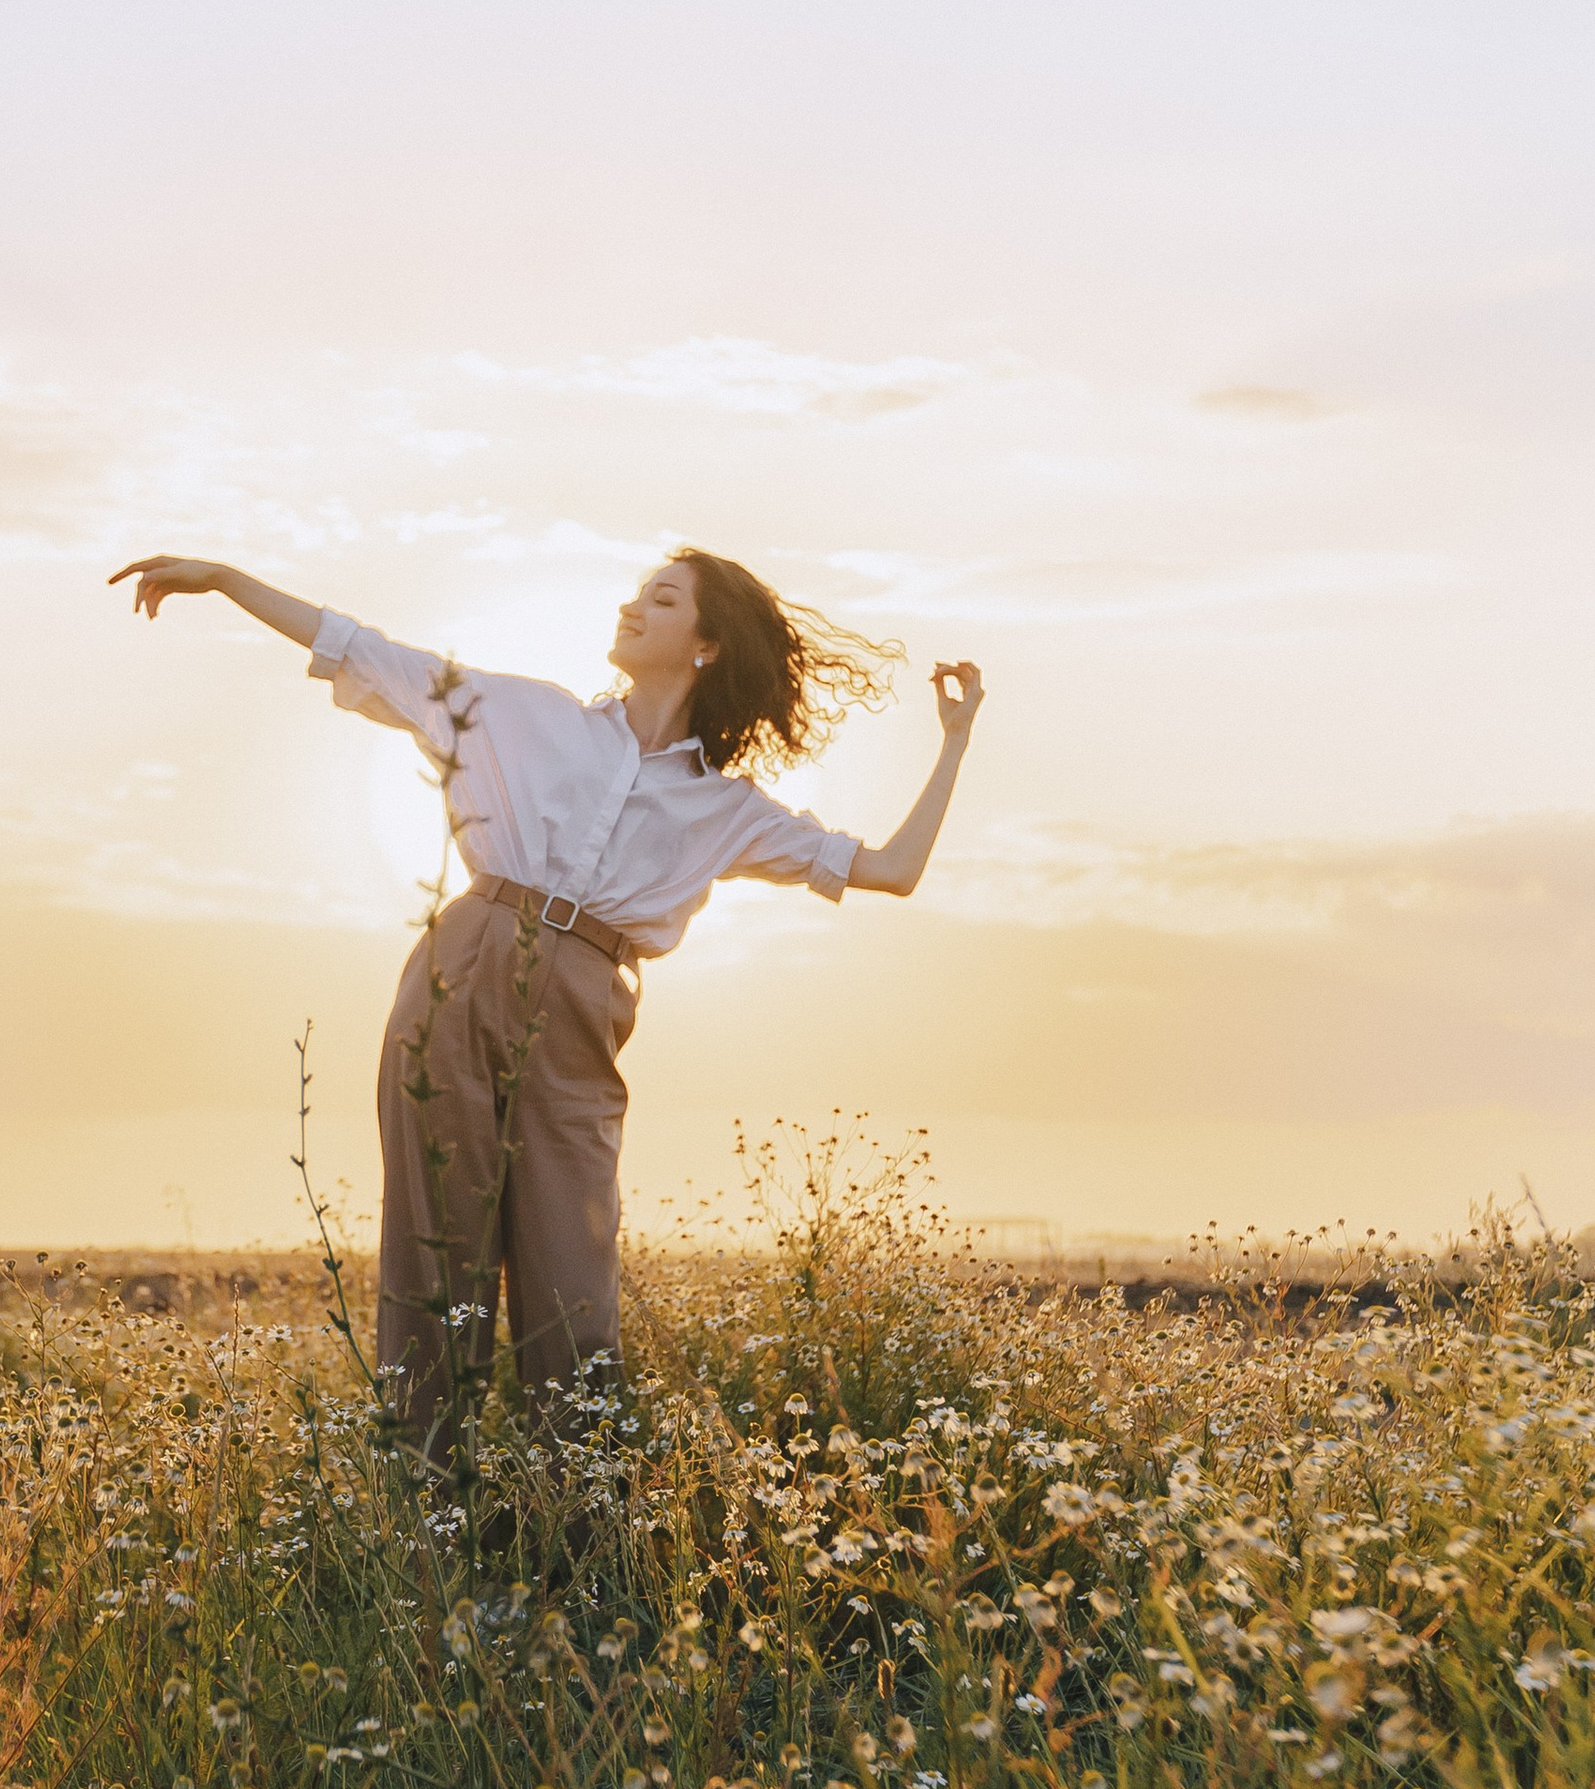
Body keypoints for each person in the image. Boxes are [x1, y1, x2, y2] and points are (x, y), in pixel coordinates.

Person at [110, 547, 983, 1448]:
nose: (633, 605)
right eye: (640, 590)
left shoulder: (726, 808)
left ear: (708, 645)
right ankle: (423, 1535)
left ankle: (569, 1544)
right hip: (466, 961)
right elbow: (361, 646)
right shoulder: (522, 712)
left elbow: (892, 869)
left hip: (583, 1005)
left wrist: (954, 741)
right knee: (435, 1270)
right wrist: (224, 580)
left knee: (574, 1293)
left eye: (663, 597)